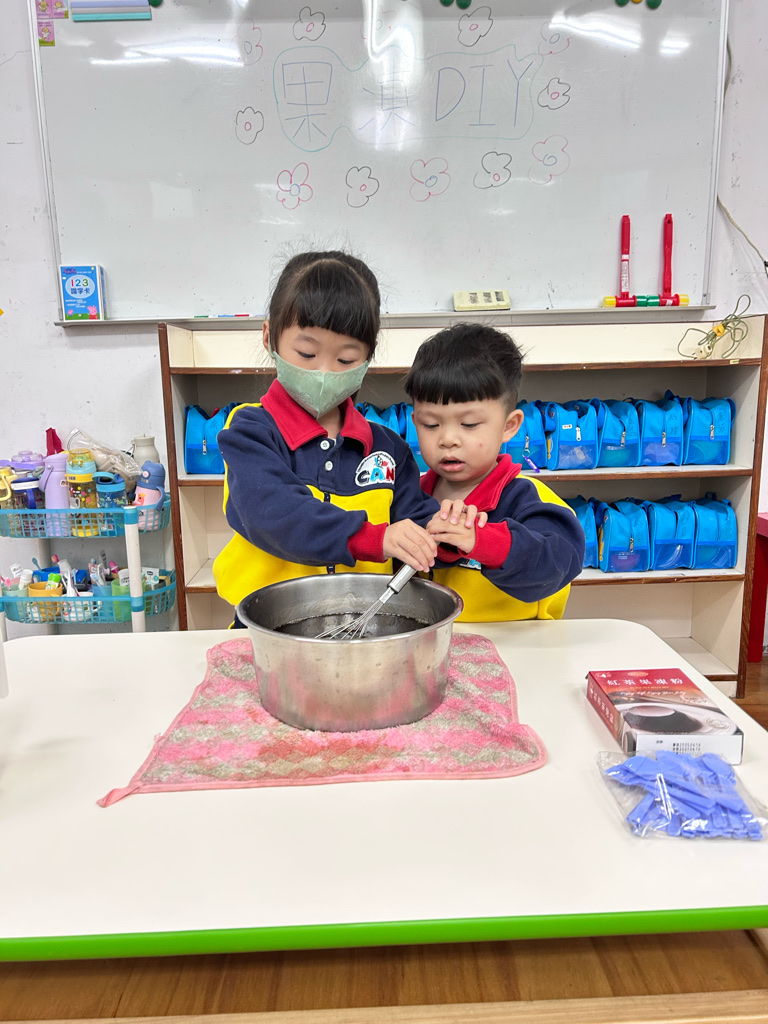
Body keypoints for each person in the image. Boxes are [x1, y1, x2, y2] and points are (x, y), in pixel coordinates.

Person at [213, 251, 477, 619]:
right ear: (269, 337)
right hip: (267, 626)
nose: (324, 371)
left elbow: (416, 524)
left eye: (345, 360)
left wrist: (446, 534)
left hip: (365, 626)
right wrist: (372, 538)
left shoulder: (388, 450)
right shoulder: (251, 432)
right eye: (307, 353)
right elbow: (274, 514)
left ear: (367, 359)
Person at [403, 323, 585, 621]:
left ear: (509, 426)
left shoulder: (529, 497)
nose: (448, 439)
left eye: (469, 424)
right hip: (435, 640)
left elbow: (559, 562)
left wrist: (483, 541)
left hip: (516, 640)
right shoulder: (409, 495)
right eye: (431, 424)